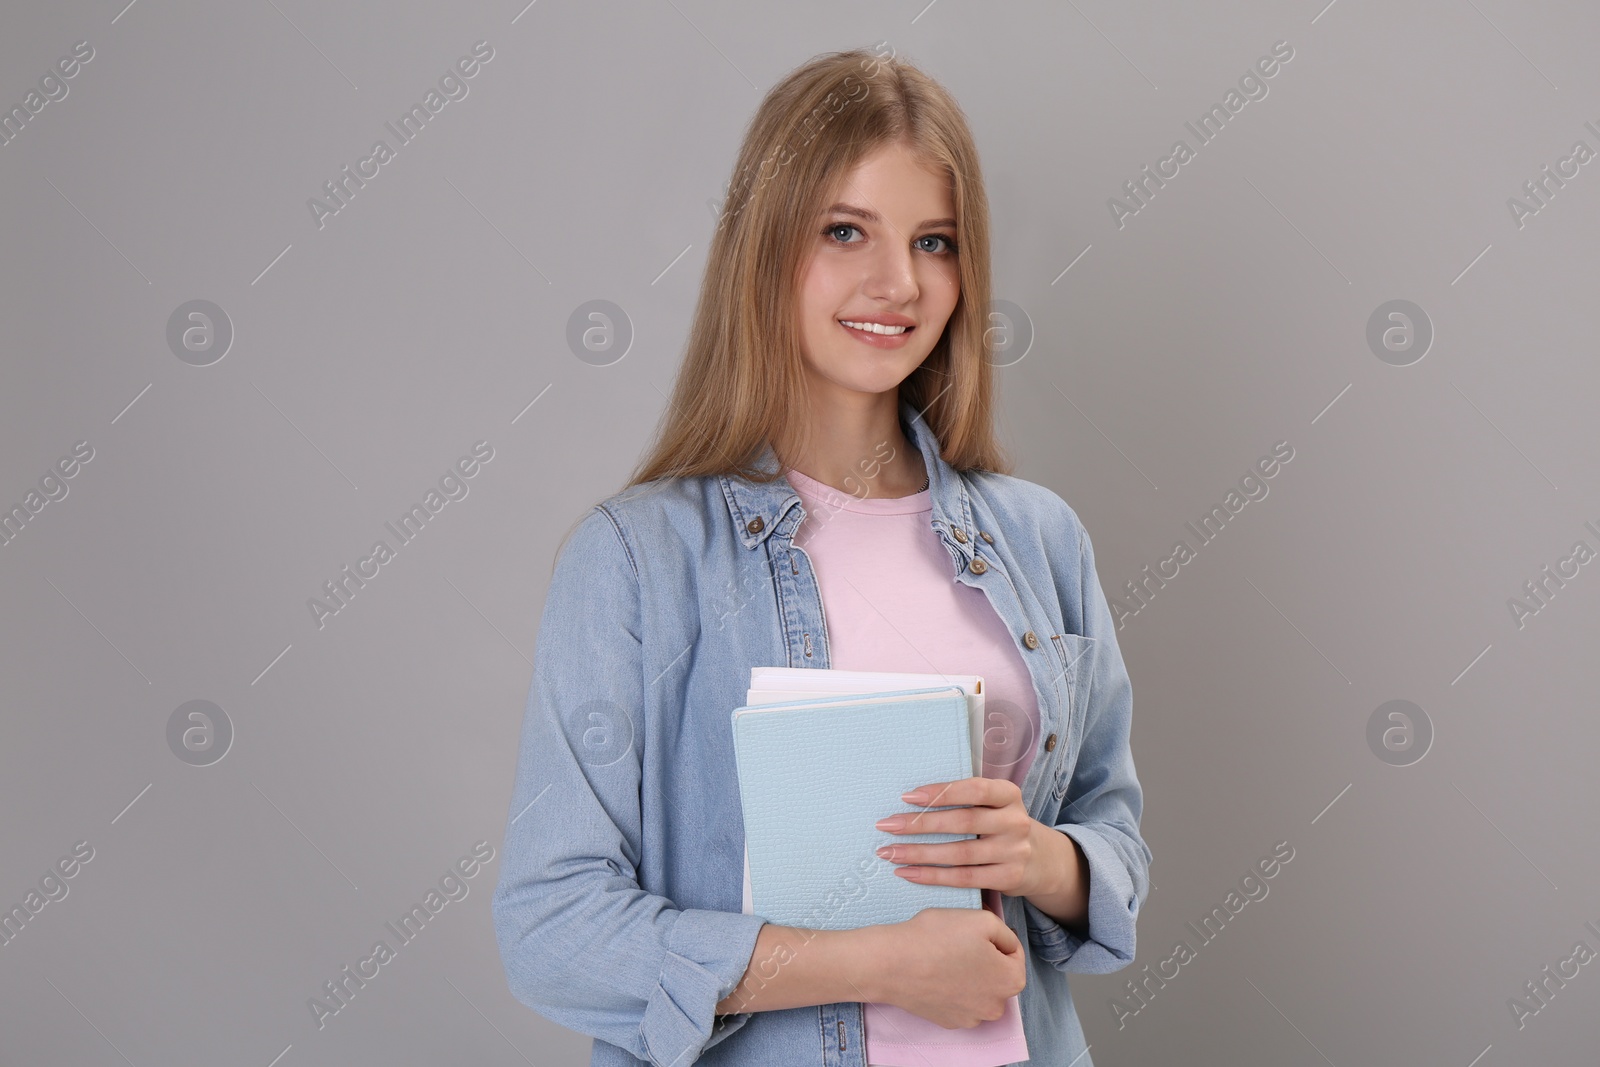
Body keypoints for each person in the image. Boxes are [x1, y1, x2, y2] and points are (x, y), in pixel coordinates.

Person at [491, 45, 1151, 1067]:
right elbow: (553, 924)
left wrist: (1042, 856)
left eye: (935, 241)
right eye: (845, 231)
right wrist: (875, 960)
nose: (897, 282)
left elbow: (1114, 840)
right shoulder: (635, 561)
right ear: (764, 248)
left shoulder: (1040, 538)